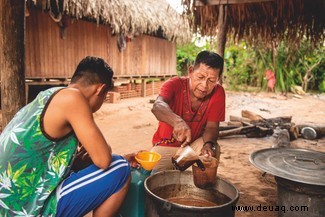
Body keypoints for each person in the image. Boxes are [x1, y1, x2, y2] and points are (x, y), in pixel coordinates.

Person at [0, 56, 138, 217]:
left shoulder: (48, 96)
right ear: (100, 89)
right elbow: (104, 160)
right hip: (26, 210)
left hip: (8, 206)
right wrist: (114, 157)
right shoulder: (73, 98)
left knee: (100, 164)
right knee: (120, 167)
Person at [150, 50, 225, 171]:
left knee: (211, 150)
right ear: (190, 71)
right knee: (153, 177)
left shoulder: (218, 92)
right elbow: (157, 106)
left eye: (211, 81)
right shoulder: (174, 84)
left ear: (218, 79)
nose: (204, 85)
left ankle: (199, 180)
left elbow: (212, 127)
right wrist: (177, 122)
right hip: (165, 146)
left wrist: (208, 145)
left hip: (192, 148)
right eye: (200, 77)